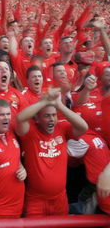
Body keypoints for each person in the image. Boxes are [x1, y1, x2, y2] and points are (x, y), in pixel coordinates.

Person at [15, 87, 88, 216]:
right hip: (36, 201)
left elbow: (83, 127)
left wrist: (59, 105)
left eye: (54, 115)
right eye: (47, 116)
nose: (51, 119)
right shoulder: (30, 132)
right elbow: (20, 118)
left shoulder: (62, 128)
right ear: (37, 119)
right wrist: (44, 102)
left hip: (60, 199)